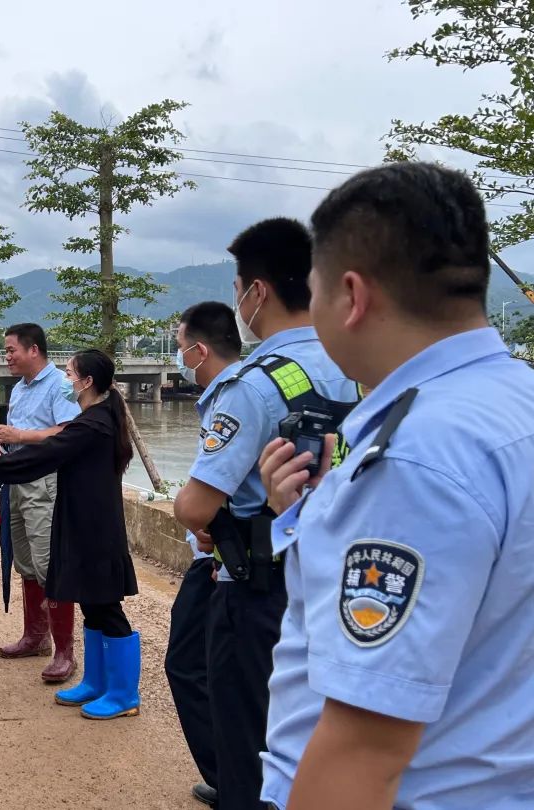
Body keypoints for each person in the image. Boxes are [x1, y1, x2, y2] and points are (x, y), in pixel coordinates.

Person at [258, 163, 534, 810]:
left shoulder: (415, 458)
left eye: (315, 291)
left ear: (351, 296)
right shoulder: (513, 403)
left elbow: (363, 751)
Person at [173, 218, 358, 810]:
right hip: (347, 576)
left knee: (249, 733)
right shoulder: (359, 368)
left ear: (257, 292)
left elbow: (194, 506)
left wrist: (199, 515)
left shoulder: (252, 385)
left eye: (237, 288)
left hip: (261, 585)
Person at [0, 349, 140, 720]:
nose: (66, 380)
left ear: (87, 382)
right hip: (83, 523)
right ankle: (96, 682)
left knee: (107, 608)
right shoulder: (94, 418)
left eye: (70, 374)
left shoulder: (94, 424)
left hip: (97, 529)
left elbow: (44, 455)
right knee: (91, 604)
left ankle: (124, 695)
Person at [165, 302, 243, 809]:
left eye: (179, 347)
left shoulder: (236, 396)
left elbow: (195, 504)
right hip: (221, 553)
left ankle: (232, 779)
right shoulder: (230, 393)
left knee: (190, 664)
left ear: (199, 350)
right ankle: (233, 776)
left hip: (225, 560)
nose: (178, 358)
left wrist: (200, 518)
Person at [0, 323, 81, 683]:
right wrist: (6, 444)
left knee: (49, 563)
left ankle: (64, 651)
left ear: (33, 350)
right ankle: (35, 637)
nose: (7, 357)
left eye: (11, 350)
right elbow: (18, 433)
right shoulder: (19, 388)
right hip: (17, 479)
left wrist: (21, 435)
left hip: (45, 482)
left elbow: (70, 431)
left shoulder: (60, 385)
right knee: (25, 561)